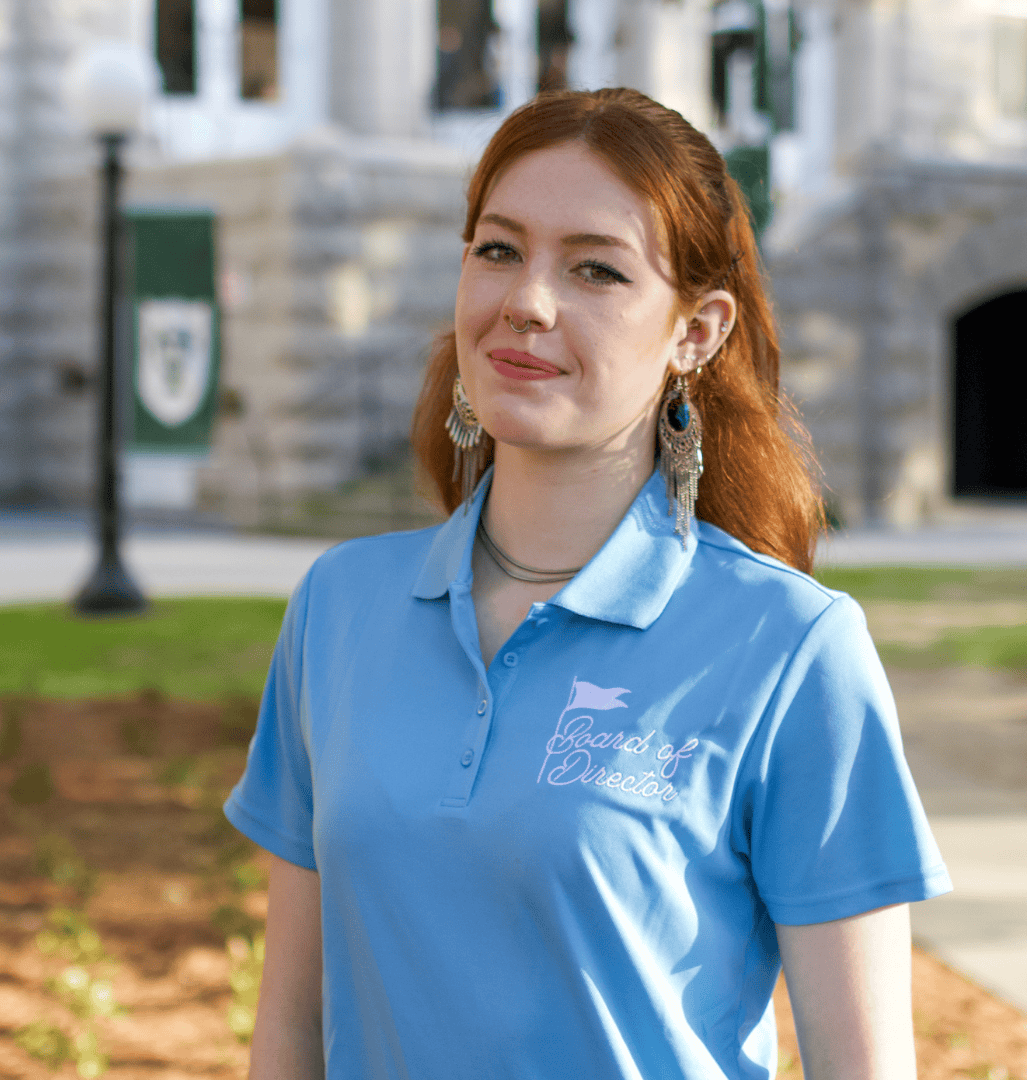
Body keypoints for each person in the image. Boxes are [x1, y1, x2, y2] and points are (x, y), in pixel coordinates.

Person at [225, 88, 951, 1080]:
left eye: (596, 268)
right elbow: (292, 1028)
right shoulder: (339, 609)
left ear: (696, 331)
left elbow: (862, 1067)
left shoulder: (790, 647)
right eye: (497, 249)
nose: (527, 300)